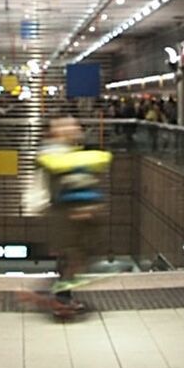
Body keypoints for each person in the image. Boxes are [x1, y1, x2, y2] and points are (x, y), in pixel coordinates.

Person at [37, 117, 112, 317]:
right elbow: (61, 186)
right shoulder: (56, 154)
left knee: (75, 256)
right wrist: (78, 209)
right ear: (60, 131)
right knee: (73, 256)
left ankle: (60, 296)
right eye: (71, 126)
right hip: (68, 216)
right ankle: (59, 299)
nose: (77, 128)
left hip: (71, 214)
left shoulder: (70, 152)